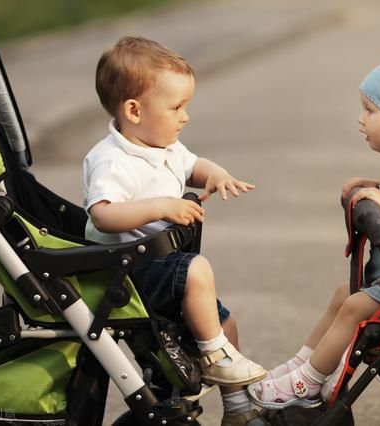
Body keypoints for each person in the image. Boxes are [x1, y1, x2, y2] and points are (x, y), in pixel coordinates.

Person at [248, 57, 380, 409]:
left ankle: (308, 382)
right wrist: (378, 186)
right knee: (343, 294)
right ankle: (303, 361)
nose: (360, 119)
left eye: (370, 110)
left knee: (353, 307)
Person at [83, 36, 267, 426]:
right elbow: (103, 215)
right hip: (126, 270)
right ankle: (216, 357)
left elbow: (192, 165)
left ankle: (236, 407)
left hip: (160, 263)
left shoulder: (164, 145)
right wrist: (160, 207)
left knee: (226, 324)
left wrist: (215, 174)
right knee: (198, 269)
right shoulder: (112, 160)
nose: (185, 117)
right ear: (134, 110)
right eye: (177, 107)